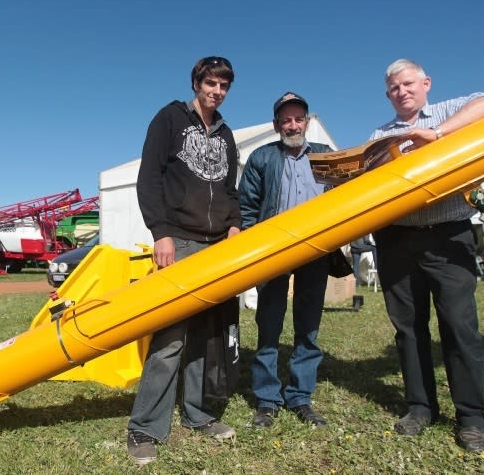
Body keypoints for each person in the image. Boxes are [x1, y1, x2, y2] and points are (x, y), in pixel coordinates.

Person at [368, 58, 484, 453]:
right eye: (394, 88)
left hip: (449, 235)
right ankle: (420, 408)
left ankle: (473, 419)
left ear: (426, 83)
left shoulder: (450, 111)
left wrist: (436, 133)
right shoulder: (381, 133)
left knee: (459, 326)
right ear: (387, 94)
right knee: (408, 328)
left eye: (408, 83)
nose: (402, 92)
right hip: (396, 237)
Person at [126, 56, 241, 466]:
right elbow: (149, 177)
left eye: (223, 85)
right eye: (210, 83)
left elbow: (230, 188)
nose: (217, 91)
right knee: (170, 338)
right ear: (197, 83)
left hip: (217, 247)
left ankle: (198, 415)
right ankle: (144, 428)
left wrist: (233, 226)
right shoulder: (170, 119)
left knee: (207, 337)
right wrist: (162, 233)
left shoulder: (226, 135)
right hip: (181, 242)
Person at [238, 92, 333, 430]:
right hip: (272, 252)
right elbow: (247, 208)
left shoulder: (326, 157)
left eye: (298, 118)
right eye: (286, 119)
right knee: (269, 326)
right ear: (277, 124)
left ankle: (301, 397)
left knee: (308, 327)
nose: (292, 125)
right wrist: (253, 249)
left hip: (316, 251)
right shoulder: (262, 158)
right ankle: (267, 399)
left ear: (306, 122)